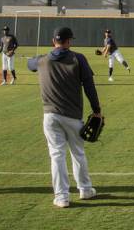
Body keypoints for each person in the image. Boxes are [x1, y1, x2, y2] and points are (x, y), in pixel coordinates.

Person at [27, 27, 102, 208]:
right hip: (72, 116)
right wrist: (97, 110)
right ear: (69, 41)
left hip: (50, 116)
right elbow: (89, 87)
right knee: (78, 153)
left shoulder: (42, 60)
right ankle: (85, 189)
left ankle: (61, 197)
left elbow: (30, 64)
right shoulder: (78, 59)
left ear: (54, 41)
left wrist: (37, 58)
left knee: (57, 155)